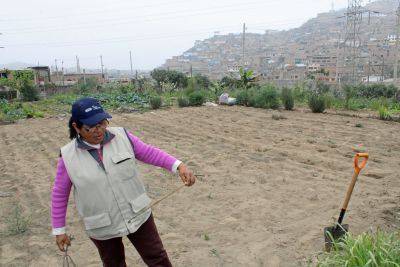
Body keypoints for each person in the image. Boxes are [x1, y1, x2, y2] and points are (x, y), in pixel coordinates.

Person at [51, 97, 196, 267]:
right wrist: (59, 230)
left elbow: (149, 153)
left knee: (157, 258)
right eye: (91, 127)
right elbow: (59, 195)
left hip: (137, 212)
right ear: (76, 127)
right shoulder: (68, 157)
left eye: (102, 123)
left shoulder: (122, 136)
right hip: (102, 224)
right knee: (113, 263)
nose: (99, 131)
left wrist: (178, 166)